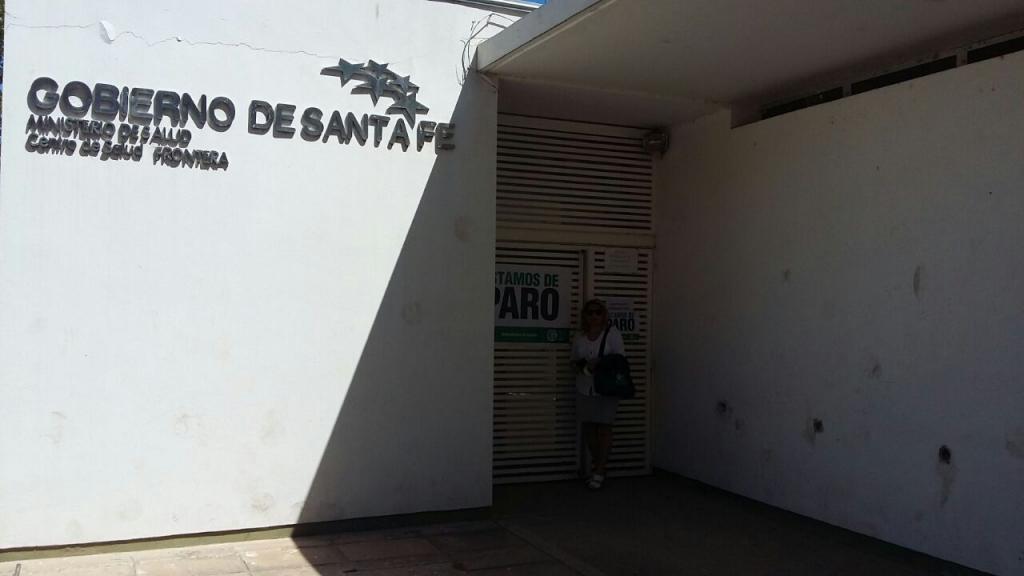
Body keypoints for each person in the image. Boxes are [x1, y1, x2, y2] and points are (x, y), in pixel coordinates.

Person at [571, 298, 625, 490]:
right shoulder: (579, 336)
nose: (594, 316)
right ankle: (599, 463)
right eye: (590, 312)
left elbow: (620, 359)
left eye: (598, 312)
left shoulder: (612, 334)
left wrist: (600, 362)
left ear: (604, 315)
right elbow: (573, 360)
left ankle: (599, 470)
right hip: (584, 386)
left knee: (604, 427)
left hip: (606, 387)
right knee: (588, 428)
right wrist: (583, 366)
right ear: (584, 315)